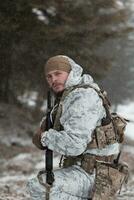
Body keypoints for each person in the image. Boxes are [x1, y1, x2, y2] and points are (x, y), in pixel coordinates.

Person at [27, 55, 126, 200]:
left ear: (71, 72)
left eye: (58, 73)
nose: (53, 79)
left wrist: (44, 137)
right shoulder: (68, 97)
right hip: (84, 169)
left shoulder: (83, 97)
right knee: (43, 180)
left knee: (40, 187)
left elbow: (75, 145)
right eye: (49, 76)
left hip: (98, 176)